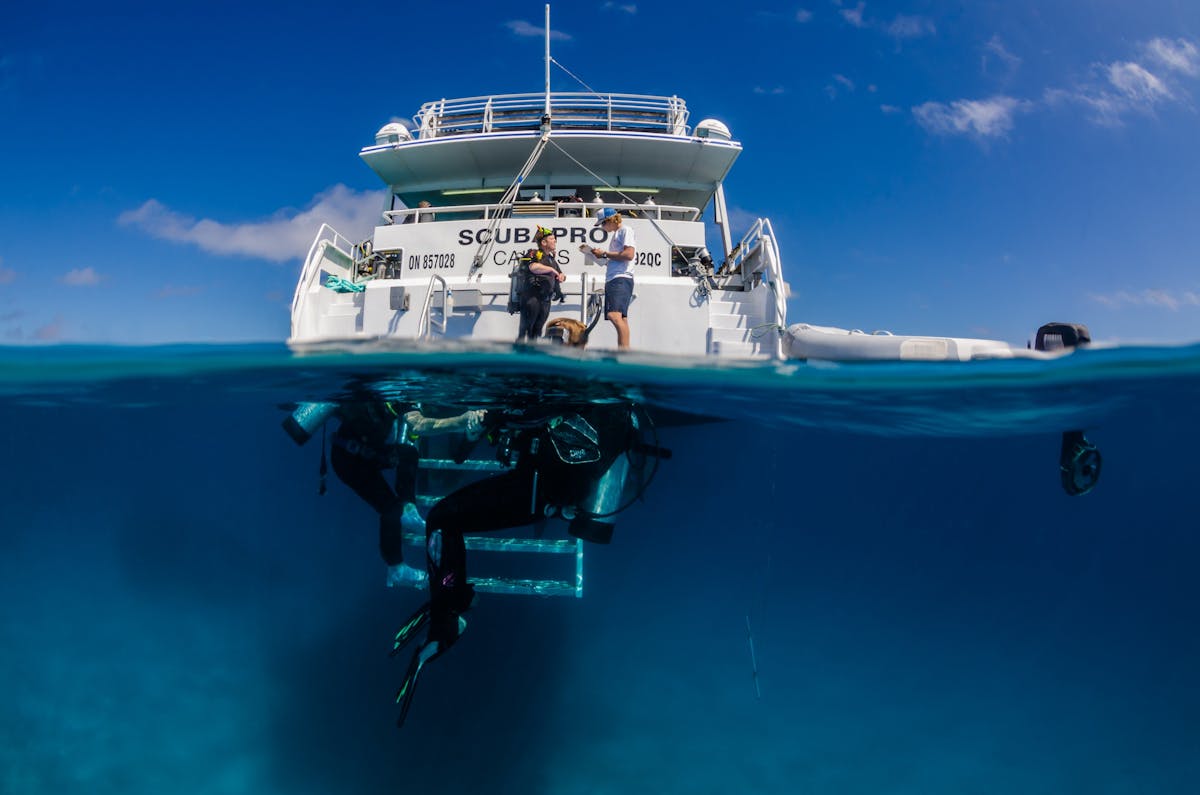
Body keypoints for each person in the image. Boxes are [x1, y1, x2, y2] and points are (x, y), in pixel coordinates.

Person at [391, 402, 668, 727]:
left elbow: (519, 415)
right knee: (444, 520)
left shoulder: (548, 401)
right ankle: (449, 607)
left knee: (440, 519)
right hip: (539, 489)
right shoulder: (580, 408)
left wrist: (470, 422)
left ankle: (449, 614)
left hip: (536, 489)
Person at [282, 399, 485, 588]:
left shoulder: (394, 395)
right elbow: (419, 425)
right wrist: (462, 420)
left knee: (408, 453)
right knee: (390, 509)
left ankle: (409, 511)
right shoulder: (399, 392)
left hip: (369, 451)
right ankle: (395, 569)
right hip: (348, 460)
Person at [585, 208, 636, 349]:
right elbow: (619, 257)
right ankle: (623, 352)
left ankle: (624, 352)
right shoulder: (617, 234)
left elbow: (629, 254)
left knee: (614, 315)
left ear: (610, 220)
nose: (602, 227)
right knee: (621, 318)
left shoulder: (625, 230)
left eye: (602, 224)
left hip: (619, 278)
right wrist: (600, 256)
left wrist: (605, 253)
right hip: (617, 278)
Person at [515, 226, 567, 343]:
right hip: (532, 298)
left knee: (537, 331)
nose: (555, 241)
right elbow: (533, 267)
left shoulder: (551, 259)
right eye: (552, 239)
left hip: (545, 300)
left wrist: (561, 275)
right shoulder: (533, 253)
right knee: (526, 330)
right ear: (543, 242)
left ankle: (532, 354)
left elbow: (560, 273)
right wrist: (552, 271)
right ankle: (520, 356)